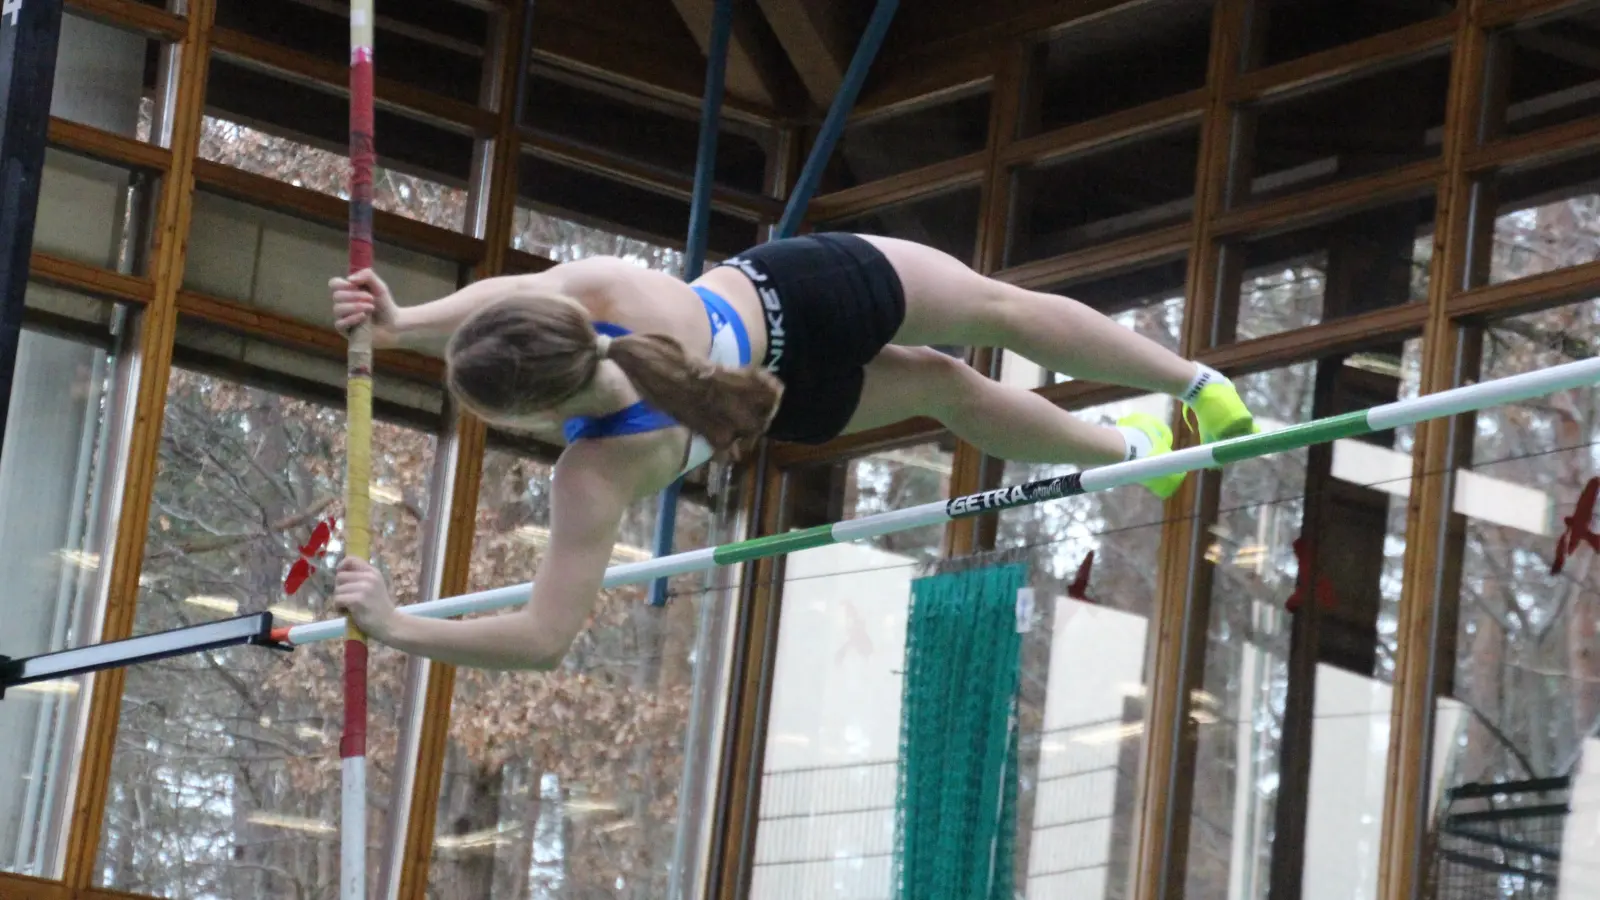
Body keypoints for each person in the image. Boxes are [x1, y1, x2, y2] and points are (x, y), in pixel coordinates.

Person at [329, 232, 1257, 670]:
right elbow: (502, 307)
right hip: (803, 296)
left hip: (785, 403)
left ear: (530, 416)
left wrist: (397, 624)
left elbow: (541, 638)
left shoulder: (596, 472)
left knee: (945, 389)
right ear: (558, 322)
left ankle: (1126, 446)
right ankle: (1188, 388)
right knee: (996, 311)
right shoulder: (606, 290)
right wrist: (406, 319)